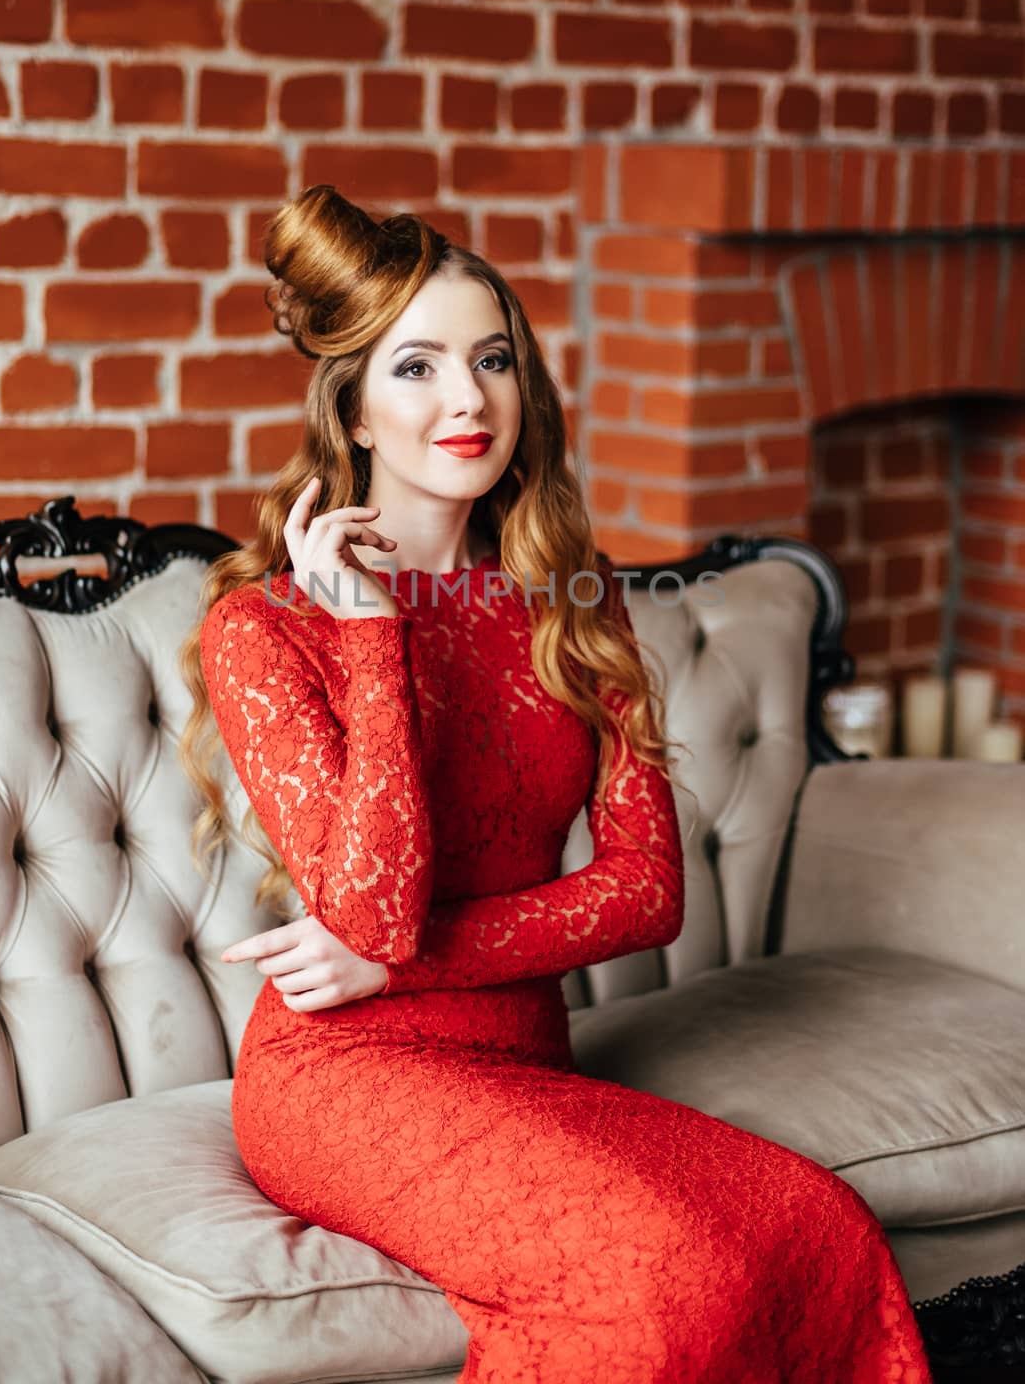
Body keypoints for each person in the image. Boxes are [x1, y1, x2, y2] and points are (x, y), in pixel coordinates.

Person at [179, 184, 933, 1383]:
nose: (468, 398)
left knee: (812, 1222)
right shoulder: (268, 629)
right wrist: (375, 635)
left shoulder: (577, 609)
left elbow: (646, 896)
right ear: (356, 409)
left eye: (492, 359)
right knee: (662, 1288)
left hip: (523, 1056)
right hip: (344, 1079)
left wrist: (410, 957)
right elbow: (369, 908)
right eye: (416, 367)